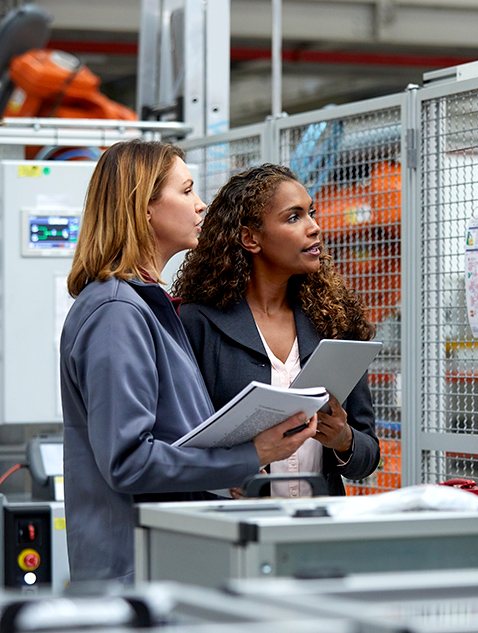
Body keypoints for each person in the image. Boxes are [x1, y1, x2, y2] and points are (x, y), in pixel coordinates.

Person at [60, 142, 317, 583]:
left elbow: (171, 434)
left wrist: (226, 472)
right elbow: (128, 461)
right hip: (136, 571)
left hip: (162, 560)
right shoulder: (117, 312)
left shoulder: (146, 305)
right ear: (144, 207)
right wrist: (249, 454)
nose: (201, 206)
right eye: (187, 191)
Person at [173, 163, 380, 497]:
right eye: (294, 217)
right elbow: (178, 443)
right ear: (249, 238)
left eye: (312, 213)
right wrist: (227, 475)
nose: (314, 228)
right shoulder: (197, 323)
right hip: (235, 532)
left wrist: (344, 439)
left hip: (315, 531)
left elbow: (368, 456)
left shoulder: (334, 322)